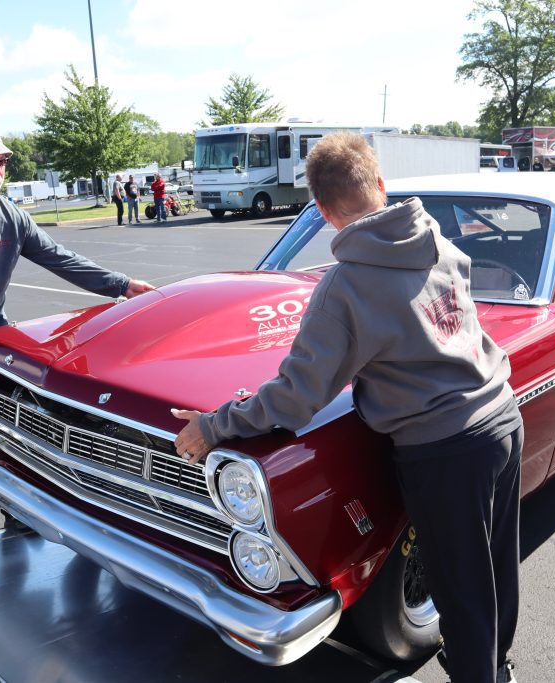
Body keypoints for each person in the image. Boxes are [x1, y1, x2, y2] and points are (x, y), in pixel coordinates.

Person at [172, 133, 522, 683]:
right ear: (380, 185)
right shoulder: (440, 241)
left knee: (462, 589)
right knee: (497, 563)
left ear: (322, 212)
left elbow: (296, 397)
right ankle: (496, 669)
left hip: (445, 448)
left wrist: (216, 426)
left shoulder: (344, 287)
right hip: (501, 413)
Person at [0, 119, 155, 542]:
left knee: (9, 435)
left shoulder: (12, 217)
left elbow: (60, 258)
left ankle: (16, 515)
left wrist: (123, 286)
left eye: (2, 161)